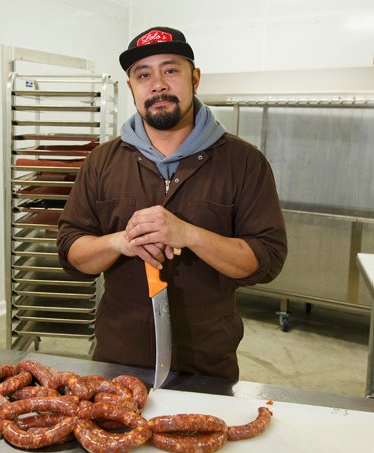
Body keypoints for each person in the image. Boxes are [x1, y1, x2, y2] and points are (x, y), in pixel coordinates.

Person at [57, 26, 287, 380]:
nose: (158, 84)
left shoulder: (243, 162)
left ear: (194, 78)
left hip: (207, 362)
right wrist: (122, 241)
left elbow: (265, 259)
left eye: (170, 70)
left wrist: (189, 234)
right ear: (130, 87)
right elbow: (72, 251)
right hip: (117, 357)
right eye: (143, 75)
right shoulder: (102, 162)